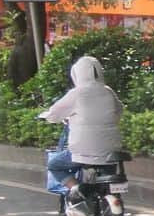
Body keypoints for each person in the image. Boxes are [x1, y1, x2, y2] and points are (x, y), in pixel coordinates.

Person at [40, 56, 124, 204]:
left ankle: (77, 189)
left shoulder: (77, 93)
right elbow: (119, 110)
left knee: (55, 165)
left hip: (82, 152)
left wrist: (48, 116)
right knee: (108, 176)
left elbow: (55, 113)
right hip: (111, 151)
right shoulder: (108, 91)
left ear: (77, 73)